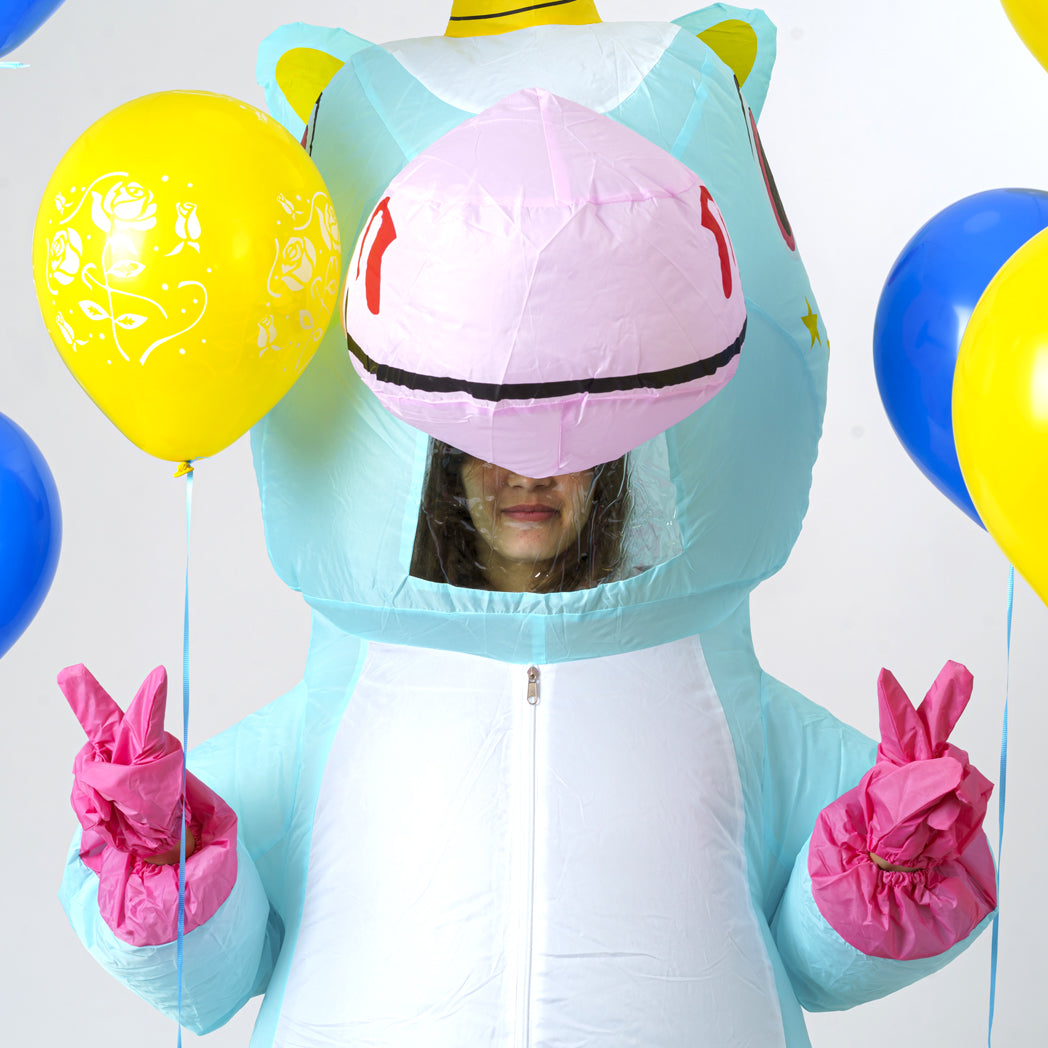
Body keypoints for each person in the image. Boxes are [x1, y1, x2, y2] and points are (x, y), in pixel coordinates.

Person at [410, 440, 630, 593]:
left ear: (600, 473)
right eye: (495, 446)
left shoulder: (648, 621)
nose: (528, 479)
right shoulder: (401, 632)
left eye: (562, 444)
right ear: (453, 473)